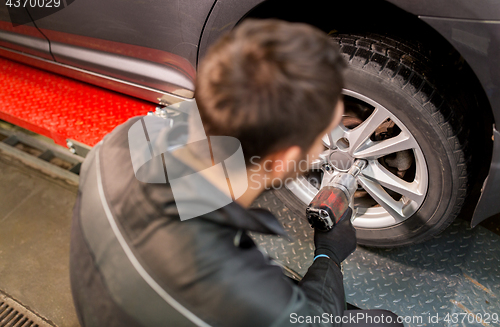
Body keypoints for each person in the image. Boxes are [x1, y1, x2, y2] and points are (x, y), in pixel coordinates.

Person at [70, 19, 401, 327]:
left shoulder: (123, 139)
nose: (326, 150)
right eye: (322, 137)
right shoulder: (225, 278)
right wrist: (329, 253)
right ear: (283, 159)